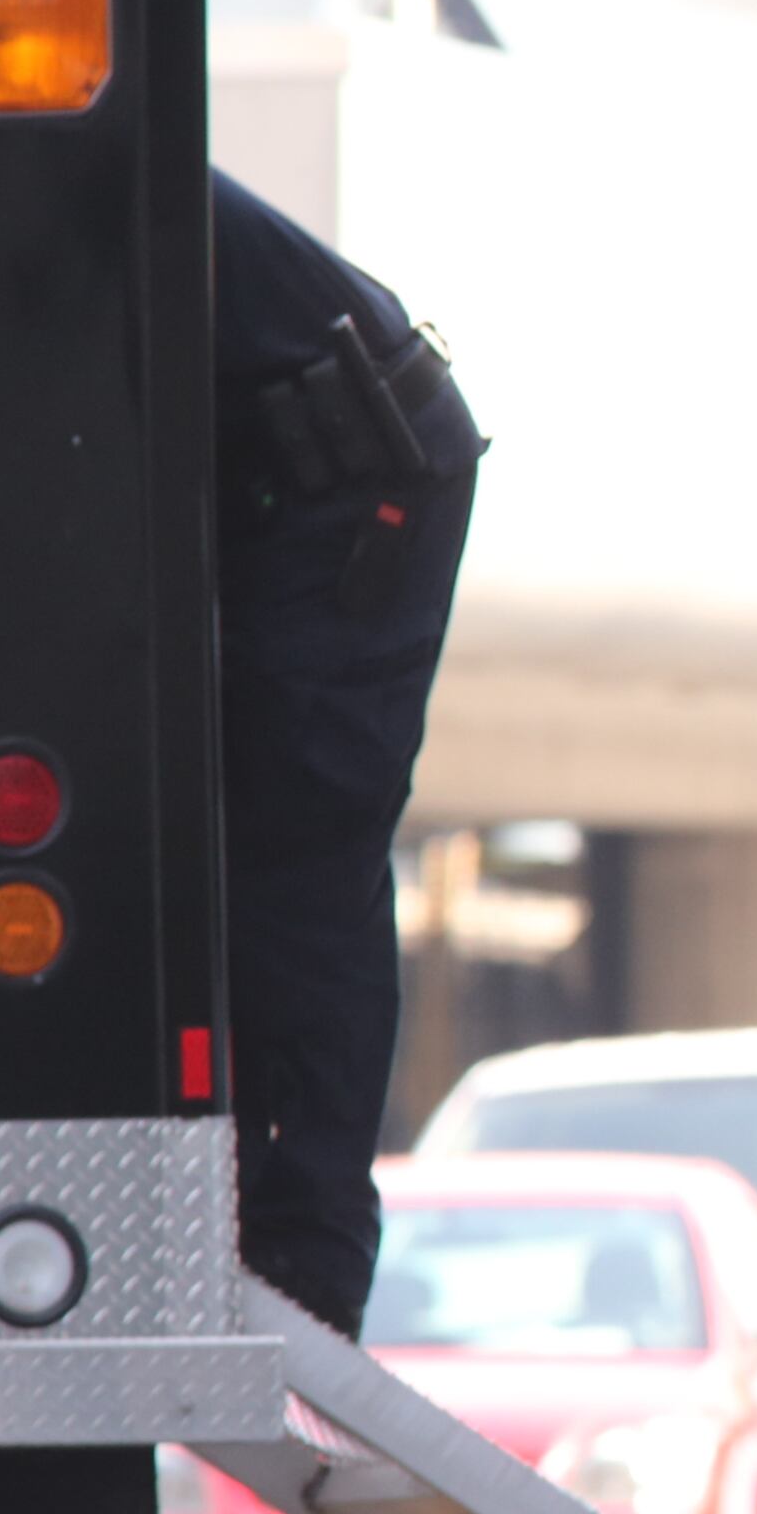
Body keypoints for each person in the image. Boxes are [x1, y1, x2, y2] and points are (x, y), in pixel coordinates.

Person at [210, 168, 484, 1339]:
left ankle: (309, 1252)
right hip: (300, 465)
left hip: (356, 469)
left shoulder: (47, 163)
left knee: (300, 847)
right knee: (249, 840)